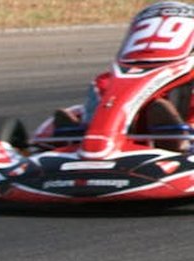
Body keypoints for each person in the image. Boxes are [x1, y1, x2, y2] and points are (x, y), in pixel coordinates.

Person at [51, 2, 194, 151]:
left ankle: (175, 139)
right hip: (125, 141)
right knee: (105, 90)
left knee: (161, 107)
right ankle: (82, 138)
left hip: (181, 144)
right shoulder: (106, 83)